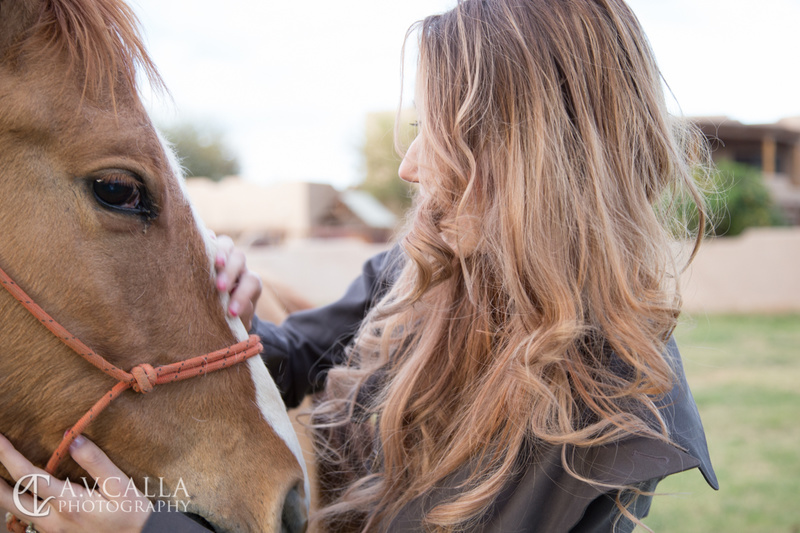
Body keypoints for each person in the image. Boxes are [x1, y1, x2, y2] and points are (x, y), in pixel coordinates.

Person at [0, 0, 718, 531]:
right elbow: (290, 357)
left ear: (537, 162)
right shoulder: (410, 280)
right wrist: (223, 311)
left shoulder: (612, 412)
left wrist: (150, 530)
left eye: (443, 137)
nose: (409, 166)